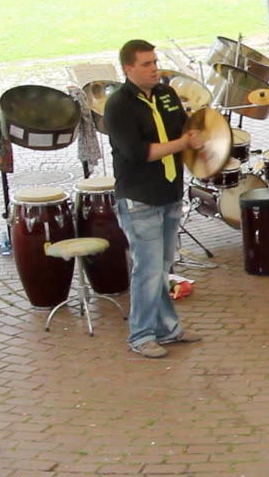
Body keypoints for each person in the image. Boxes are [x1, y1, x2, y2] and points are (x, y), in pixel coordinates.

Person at [105, 39, 204, 359]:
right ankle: (140, 335)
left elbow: (183, 130)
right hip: (139, 197)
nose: (154, 69)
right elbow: (138, 152)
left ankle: (167, 328)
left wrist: (198, 136)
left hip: (169, 192)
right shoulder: (118, 105)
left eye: (155, 62)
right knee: (147, 270)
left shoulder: (166, 94)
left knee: (161, 268)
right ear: (128, 68)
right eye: (146, 64)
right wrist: (183, 144)